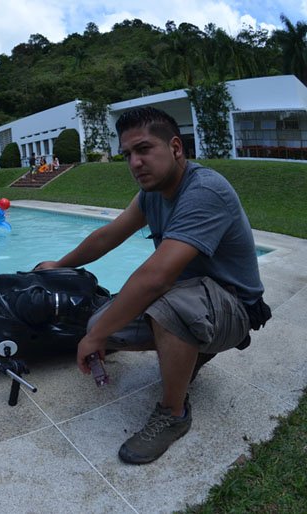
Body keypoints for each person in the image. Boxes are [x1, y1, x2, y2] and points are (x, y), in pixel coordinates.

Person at [36, 106, 270, 465]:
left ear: (175, 147)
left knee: (159, 307)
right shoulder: (152, 194)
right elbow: (107, 236)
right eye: (127, 154)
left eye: (144, 149)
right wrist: (58, 266)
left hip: (234, 306)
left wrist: (96, 338)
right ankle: (192, 350)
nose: (135, 163)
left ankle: (173, 413)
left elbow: (156, 277)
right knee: (100, 322)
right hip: (191, 295)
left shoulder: (205, 190)